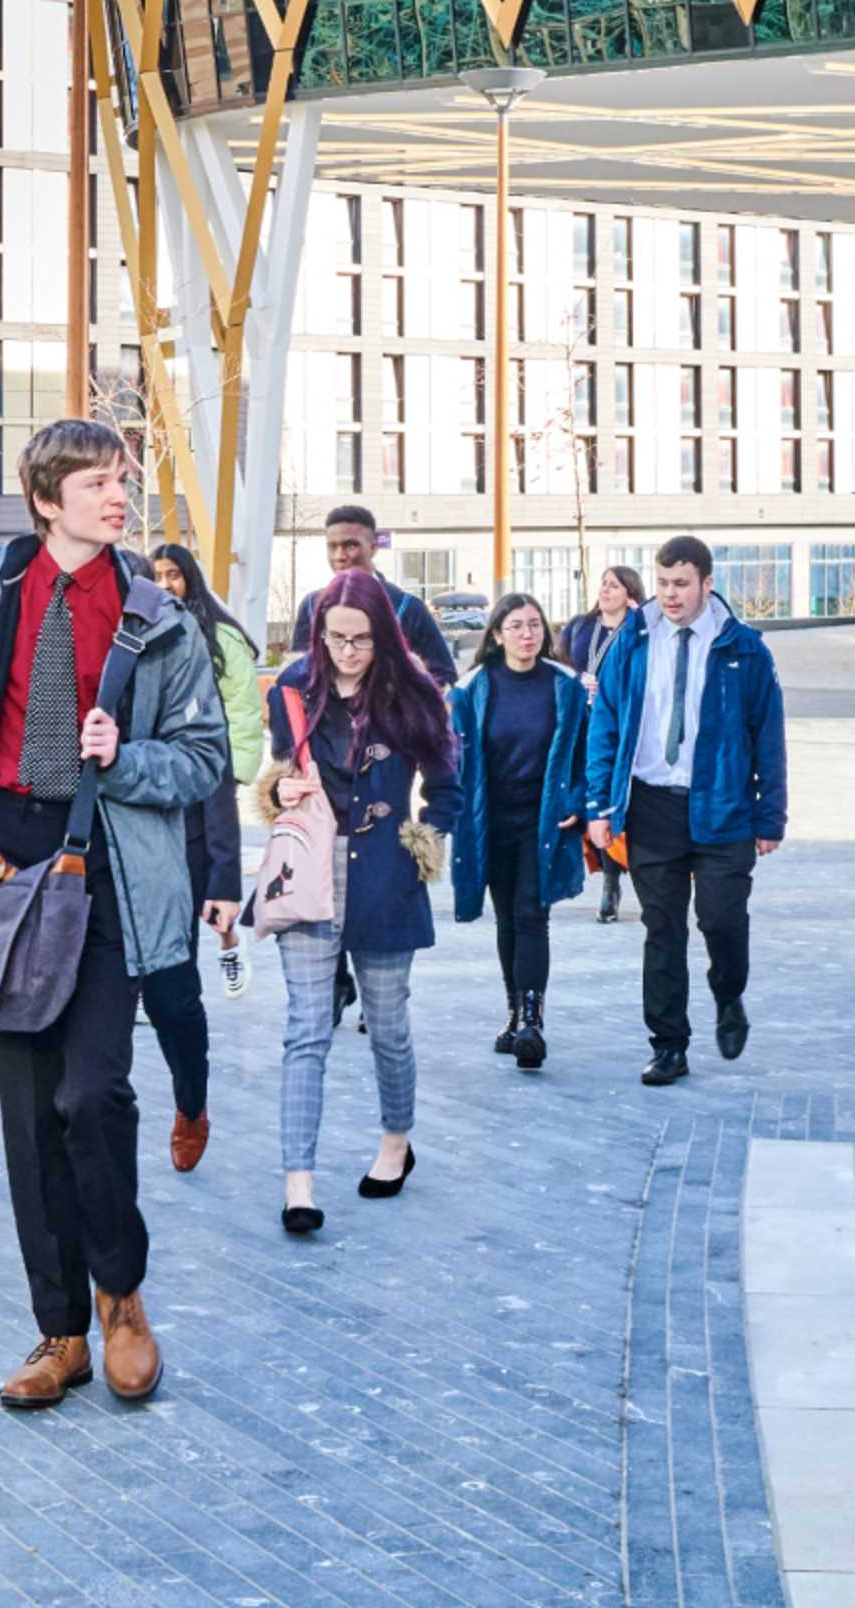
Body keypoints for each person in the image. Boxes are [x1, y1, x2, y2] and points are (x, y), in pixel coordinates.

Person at [0, 420, 231, 1410]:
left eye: (119, 481)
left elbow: (205, 758)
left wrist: (121, 755)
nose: (116, 496)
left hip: (105, 873)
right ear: (47, 500)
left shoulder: (155, 616)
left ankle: (121, 1296)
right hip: (0, 865)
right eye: (96, 482)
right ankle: (60, 1332)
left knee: (92, 1097)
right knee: (27, 1121)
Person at [266, 573, 456, 1235]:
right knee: (306, 1030)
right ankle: (299, 1184)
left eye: (362, 639)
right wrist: (280, 793)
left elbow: (449, 790)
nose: (347, 651)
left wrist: (418, 845)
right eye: (335, 637)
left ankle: (396, 1143)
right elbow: (277, 774)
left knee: (388, 1026)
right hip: (310, 874)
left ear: (385, 633)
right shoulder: (292, 687)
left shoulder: (414, 694)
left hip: (383, 878)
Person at [582, 536, 788, 1087]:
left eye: (682, 584)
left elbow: (767, 735)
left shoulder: (743, 650)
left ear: (706, 584)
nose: (670, 595)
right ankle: (669, 1044)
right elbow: (604, 725)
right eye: (664, 582)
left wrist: (771, 816)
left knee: (721, 920)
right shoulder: (632, 643)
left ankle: (728, 996)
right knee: (662, 929)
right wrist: (599, 804)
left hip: (723, 807)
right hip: (652, 806)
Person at [145, 541, 264, 1171]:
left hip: (188, 836)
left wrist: (224, 876)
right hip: (116, 856)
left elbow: (220, 754)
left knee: (175, 997)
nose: (163, 587)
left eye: (172, 576)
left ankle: (190, 1103)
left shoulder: (210, 643)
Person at [448, 592, 587, 1071]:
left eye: (535, 625)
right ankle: (514, 1016)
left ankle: (532, 1021)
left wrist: (579, 799)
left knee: (532, 913)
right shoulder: (472, 688)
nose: (527, 634)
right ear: (497, 634)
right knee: (506, 917)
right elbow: (453, 758)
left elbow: (589, 752)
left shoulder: (567, 686)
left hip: (543, 820)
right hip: (490, 822)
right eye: (516, 626)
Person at [556, 565, 645, 921]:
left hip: (620, 730)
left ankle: (624, 879)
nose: (606, 590)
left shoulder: (639, 631)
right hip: (580, 727)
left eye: (615, 585)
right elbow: (558, 666)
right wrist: (578, 680)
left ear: (630, 592)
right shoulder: (581, 626)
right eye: (603, 584)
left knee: (617, 801)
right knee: (587, 800)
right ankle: (603, 878)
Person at [287, 504, 457, 684]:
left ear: (373, 547)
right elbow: (297, 677)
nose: (339, 556)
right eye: (332, 546)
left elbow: (444, 677)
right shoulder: (312, 606)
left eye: (350, 545)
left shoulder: (407, 608)